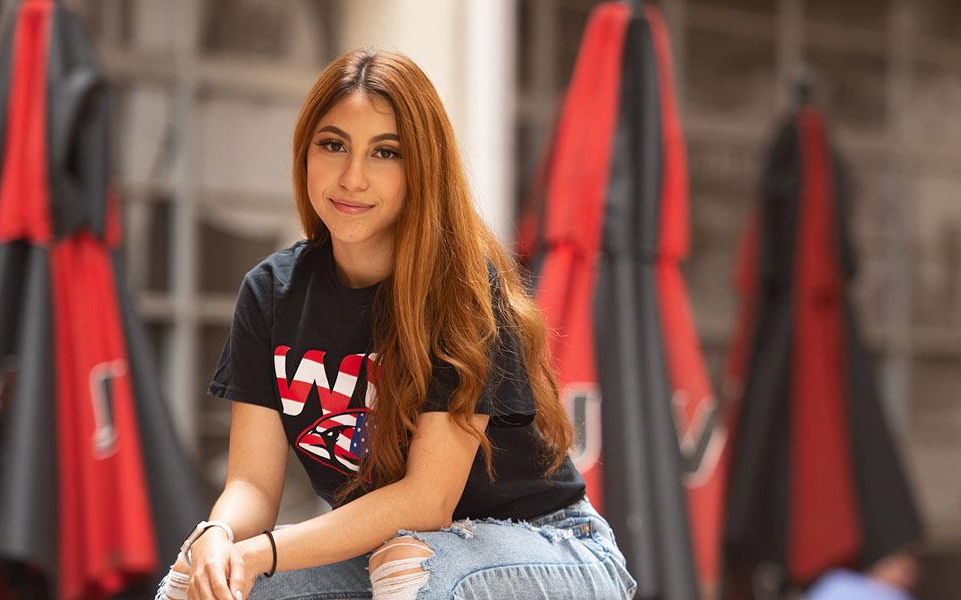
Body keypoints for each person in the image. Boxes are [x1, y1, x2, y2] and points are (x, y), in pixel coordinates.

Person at [156, 48, 636, 600]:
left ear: (419, 170)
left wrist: (262, 551)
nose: (352, 177)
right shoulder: (270, 294)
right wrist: (219, 537)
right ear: (305, 154)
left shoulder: (462, 293)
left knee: (411, 566)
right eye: (333, 145)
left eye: (385, 153)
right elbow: (251, 485)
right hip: (392, 553)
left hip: (553, 549)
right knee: (196, 586)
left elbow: (425, 501)